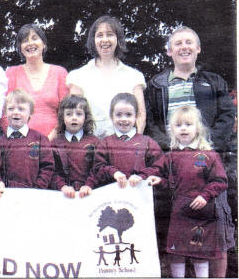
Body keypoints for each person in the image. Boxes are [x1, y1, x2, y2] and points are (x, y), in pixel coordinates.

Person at [144, 26, 236, 277]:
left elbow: (227, 116)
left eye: (189, 43)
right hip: (174, 167)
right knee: (177, 234)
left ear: (198, 48)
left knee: (217, 235)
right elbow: (151, 122)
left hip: (206, 166)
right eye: (178, 43)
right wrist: (173, 148)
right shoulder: (156, 84)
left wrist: (204, 148)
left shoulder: (214, 81)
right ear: (169, 51)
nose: (184, 47)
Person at [147, 106, 230, 278]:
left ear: (197, 128)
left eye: (188, 124)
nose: (183, 128)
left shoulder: (209, 155)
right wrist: (157, 180)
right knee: (176, 253)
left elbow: (220, 180)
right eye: (178, 125)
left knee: (201, 255)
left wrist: (205, 195)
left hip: (202, 213)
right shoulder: (170, 156)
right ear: (172, 130)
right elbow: (164, 178)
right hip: (179, 212)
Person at [67, 15, 146, 138]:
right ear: (93, 40)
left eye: (110, 34)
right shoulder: (77, 76)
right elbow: (73, 115)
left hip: (123, 147)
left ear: (118, 39)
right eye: (99, 35)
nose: (105, 40)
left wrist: (133, 144)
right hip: (90, 147)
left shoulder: (134, 76)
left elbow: (140, 115)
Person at [2, 24, 69, 139]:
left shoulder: (60, 73)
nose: (30, 43)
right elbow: (3, 113)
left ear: (44, 44)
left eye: (34, 38)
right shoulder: (11, 73)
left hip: (54, 143)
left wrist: (49, 139)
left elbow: (67, 111)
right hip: (19, 143)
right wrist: (18, 137)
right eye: (25, 40)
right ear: (20, 48)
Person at [0, 89, 55, 196]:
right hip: (5, 195)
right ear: (5, 113)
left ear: (30, 114)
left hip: (33, 195)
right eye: (11, 108)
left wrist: (38, 189)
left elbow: (48, 167)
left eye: (21, 109)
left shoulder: (40, 139)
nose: (16, 112)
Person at [93, 93, 162, 188]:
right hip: (113, 196)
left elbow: (159, 167)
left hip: (141, 195)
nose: (123, 119)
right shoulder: (105, 143)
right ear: (111, 116)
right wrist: (114, 173)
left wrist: (142, 176)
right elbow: (98, 167)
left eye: (128, 115)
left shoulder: (148, 143)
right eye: (118, 115)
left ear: (136, 116)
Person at [51, 94, 100, 198]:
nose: (74, 118)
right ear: (62, 117)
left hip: (90, 194)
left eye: (78, 114)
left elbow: (98, 168)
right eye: (69, 114)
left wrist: (88, 185)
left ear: (85, 117)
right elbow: (52, 171)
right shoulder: (55, 144)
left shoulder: (95, 142)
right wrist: (63, 187)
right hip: (63, 195)